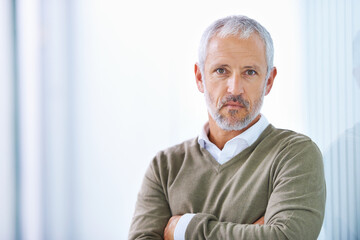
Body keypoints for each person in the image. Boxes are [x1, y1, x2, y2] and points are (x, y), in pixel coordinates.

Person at [128, 15, 326, 240]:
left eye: (249, 72)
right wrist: (255, 232)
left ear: (268, 81)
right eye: (221, 70)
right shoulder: (165, 167)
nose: (235, 88)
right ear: (200, 77)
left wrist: (183, 229)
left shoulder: (294, 155)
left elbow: (285, 238)